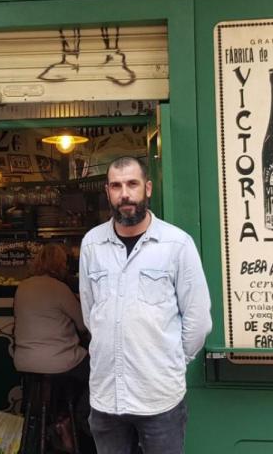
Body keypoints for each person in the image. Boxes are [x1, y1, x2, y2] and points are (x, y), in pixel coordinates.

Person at [79, 156, 212, 454]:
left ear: (148, 188)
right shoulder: (91, 245)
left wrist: (171, 362)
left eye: (132, 184)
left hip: (159, 395)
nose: (124, 193)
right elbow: (91, 314)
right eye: (116, 185)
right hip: (106, 395)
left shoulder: (177, 244)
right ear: (108, 191)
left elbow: (198, 319)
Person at [13, 243, 88, 378]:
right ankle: (72, 400)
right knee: (97, 371)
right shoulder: (59, 288)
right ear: (60, 264)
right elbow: (83, 325)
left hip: (24, 360)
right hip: (59, 361)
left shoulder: (22, 286)